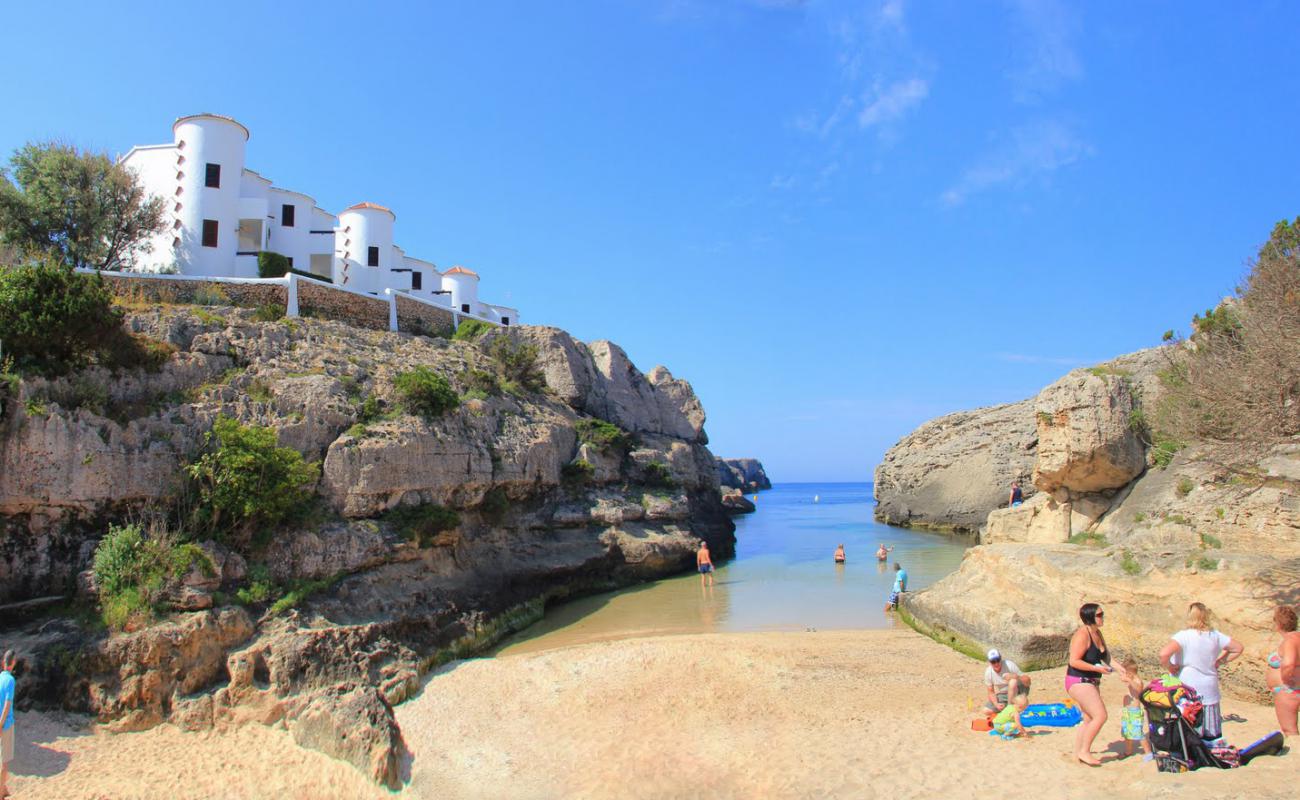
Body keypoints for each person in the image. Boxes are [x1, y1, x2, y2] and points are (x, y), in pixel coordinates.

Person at [1158, 601, 1243, 741]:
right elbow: (1238, 648)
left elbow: (1164, 654)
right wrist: (1219, 661)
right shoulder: (1215, 635)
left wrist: (1170, 667)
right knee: (1211, 734)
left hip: (1188, 687)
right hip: (1209, 687)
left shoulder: (1184, 636)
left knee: (1188, 727)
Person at [1066, 602, 1124, 766]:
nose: (1102, 617)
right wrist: (1096, 668)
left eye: (1102, 614)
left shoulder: (1097, 633)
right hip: (1078, 680)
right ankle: (1085, 751)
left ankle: (1077, 754)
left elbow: (1106, 658)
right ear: (1090, 617)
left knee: (1089, 718)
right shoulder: (1082, 635)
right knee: (1100, 716)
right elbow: (1074, 661)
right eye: (1099, 615)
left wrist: (1121, 670)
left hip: (1091, 681)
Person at [1266, 604, 1300, 737]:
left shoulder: (1290, 641)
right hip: (1294, 689)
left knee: (1290, 731)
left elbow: (1289, 663)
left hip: (1288, 691)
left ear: (1278, 624)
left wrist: (1286, 679)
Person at [1118, 656, 1151, 759]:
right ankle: (1128, 751)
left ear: (1130, 673)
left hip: (1134, 712)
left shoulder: (1137, 681)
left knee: (1138, 733)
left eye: (1125, 673)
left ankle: (1148, 752)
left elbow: (1139, 690)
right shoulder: (1131, 680)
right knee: (1127, 733)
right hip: (1127, 711)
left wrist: (1129, 680)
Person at [0, 650, 15, 798]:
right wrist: (1, 723)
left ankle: (3, 789)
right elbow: (7, 703)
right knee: (4, 761)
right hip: (5, 724)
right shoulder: (10, 680)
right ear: (13, 662)